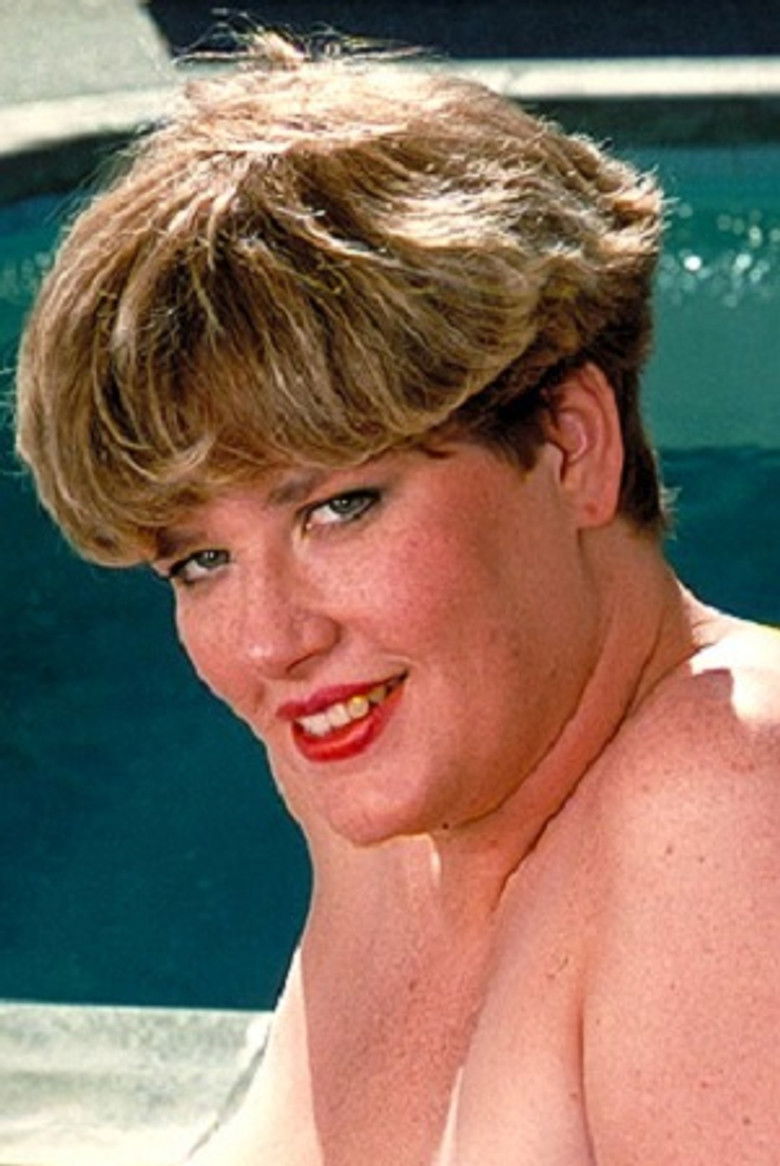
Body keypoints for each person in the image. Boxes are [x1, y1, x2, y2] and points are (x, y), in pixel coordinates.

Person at [15, 31, 780, 1166]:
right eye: (200, 562)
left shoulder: (722, 800)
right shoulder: (388, 797)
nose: (270, 641)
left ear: (571, 444)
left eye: (338, 508)